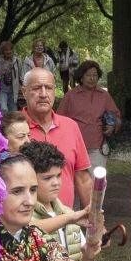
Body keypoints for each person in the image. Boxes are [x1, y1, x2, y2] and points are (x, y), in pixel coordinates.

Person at [21, 68, 93, 209]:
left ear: (54, 91)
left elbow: (83, 178)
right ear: (24, 92)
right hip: (27, 224)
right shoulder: (14, 130)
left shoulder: (70, 126)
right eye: (36, 88)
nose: (43, 94)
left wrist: (93, 217)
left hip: (66, 222)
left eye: (48, 88)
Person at [55, 61, 122, 166]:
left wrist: (112, 125)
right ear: (81, 77)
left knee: (97, 181)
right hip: (74, 147)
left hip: (98, 147)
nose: (92, 78)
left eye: (95, 75)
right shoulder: (71, 96)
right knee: (76, 181)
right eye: (88, 75)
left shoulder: (104, 95)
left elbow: (116, 115)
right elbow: (58, 120)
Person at [0, 38, 23, 115]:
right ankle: (4, 125)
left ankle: (12, 126)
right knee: (3, 108)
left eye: (10, 50)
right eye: (6, 50)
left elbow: (20, 75)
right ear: (2, 51)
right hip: (2, 88)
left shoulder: (17, 60)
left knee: (13, 110)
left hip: (13, 89)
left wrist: (22, 86)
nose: (8, 52)